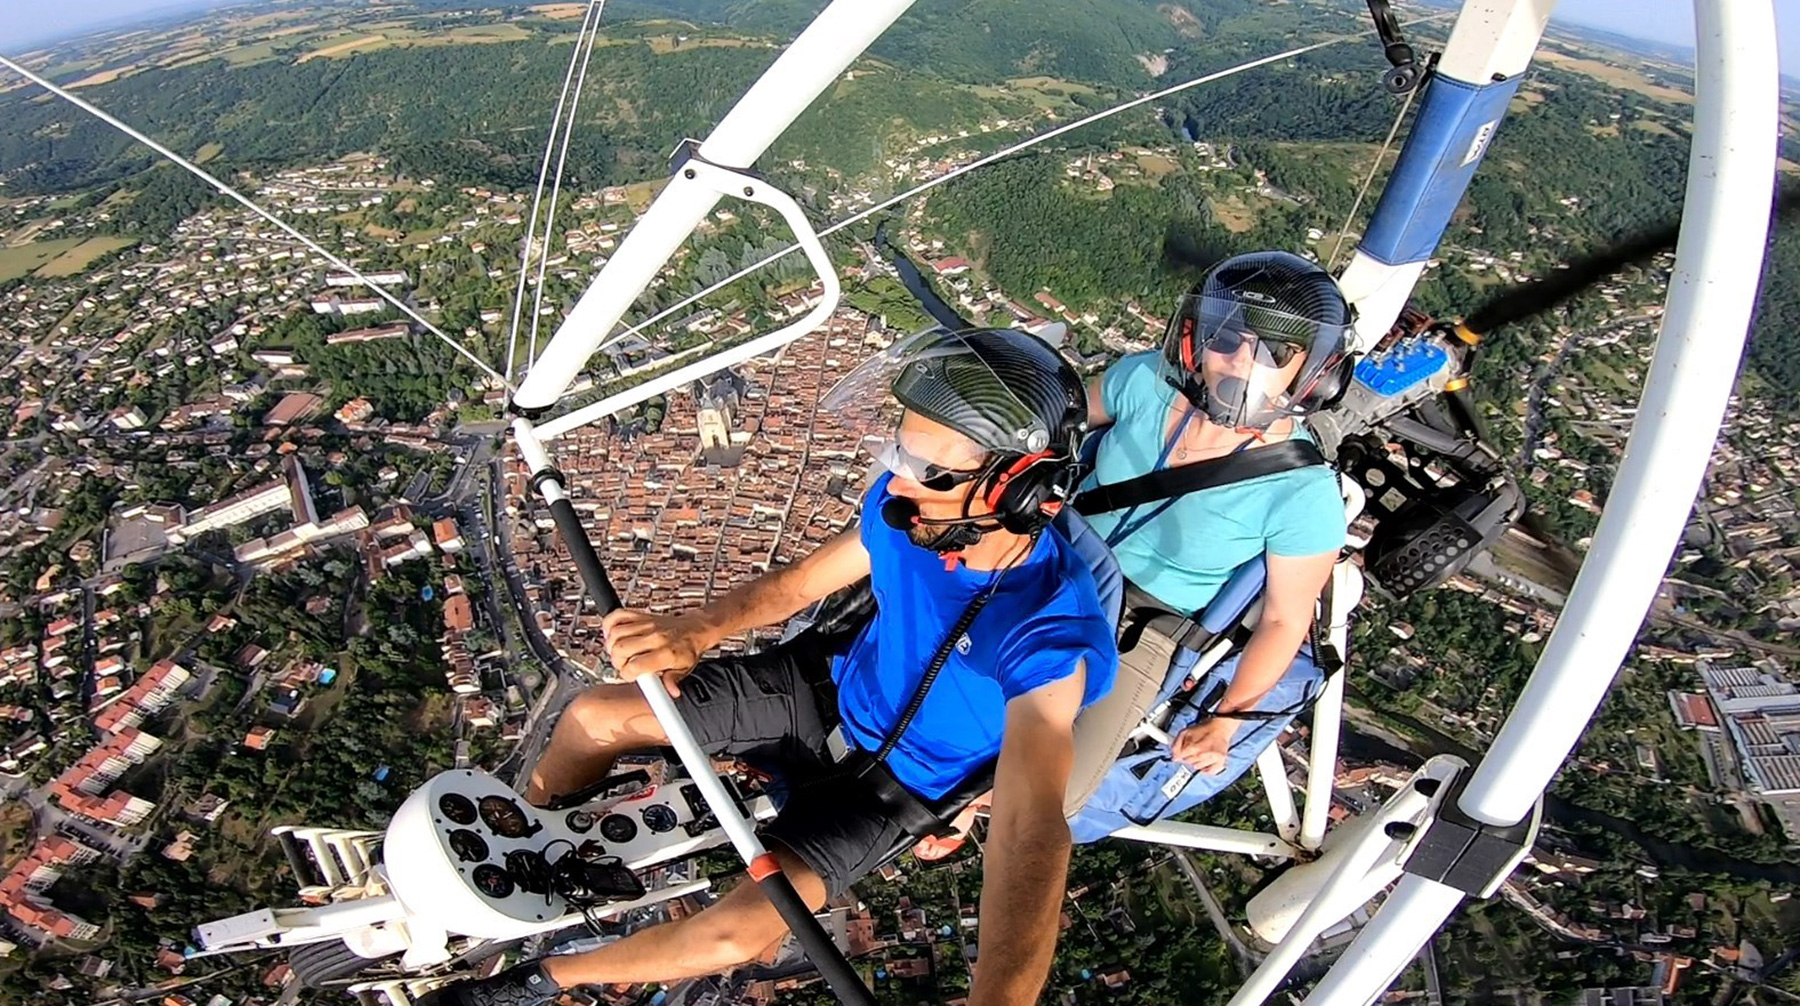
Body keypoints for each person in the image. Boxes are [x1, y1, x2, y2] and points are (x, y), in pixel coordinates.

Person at [425, 328, 1117, 1006]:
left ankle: (540, 980)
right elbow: (797, 586)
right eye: (901, 450)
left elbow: (1031, 828)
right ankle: (530, 834)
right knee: (591, 718)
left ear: (1020, 493)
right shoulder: (905, 514)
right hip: (817, 692)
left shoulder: (1049, 634)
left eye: (927, 470)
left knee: (734, 936)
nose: (899, 483)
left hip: (888, 794)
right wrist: (696, 628)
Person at [1066, 251, 1351, 842]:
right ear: (1195, 340)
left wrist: (1226, 722)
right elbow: (1054, 421)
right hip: (1051, 557)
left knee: (1056, 797)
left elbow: (1283, 621)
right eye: (1228, 337)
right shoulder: (1142, 382)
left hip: (1140, 629)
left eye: (1275, 351)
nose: (1244, 361)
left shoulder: (1302, 492)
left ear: (1312, 372)